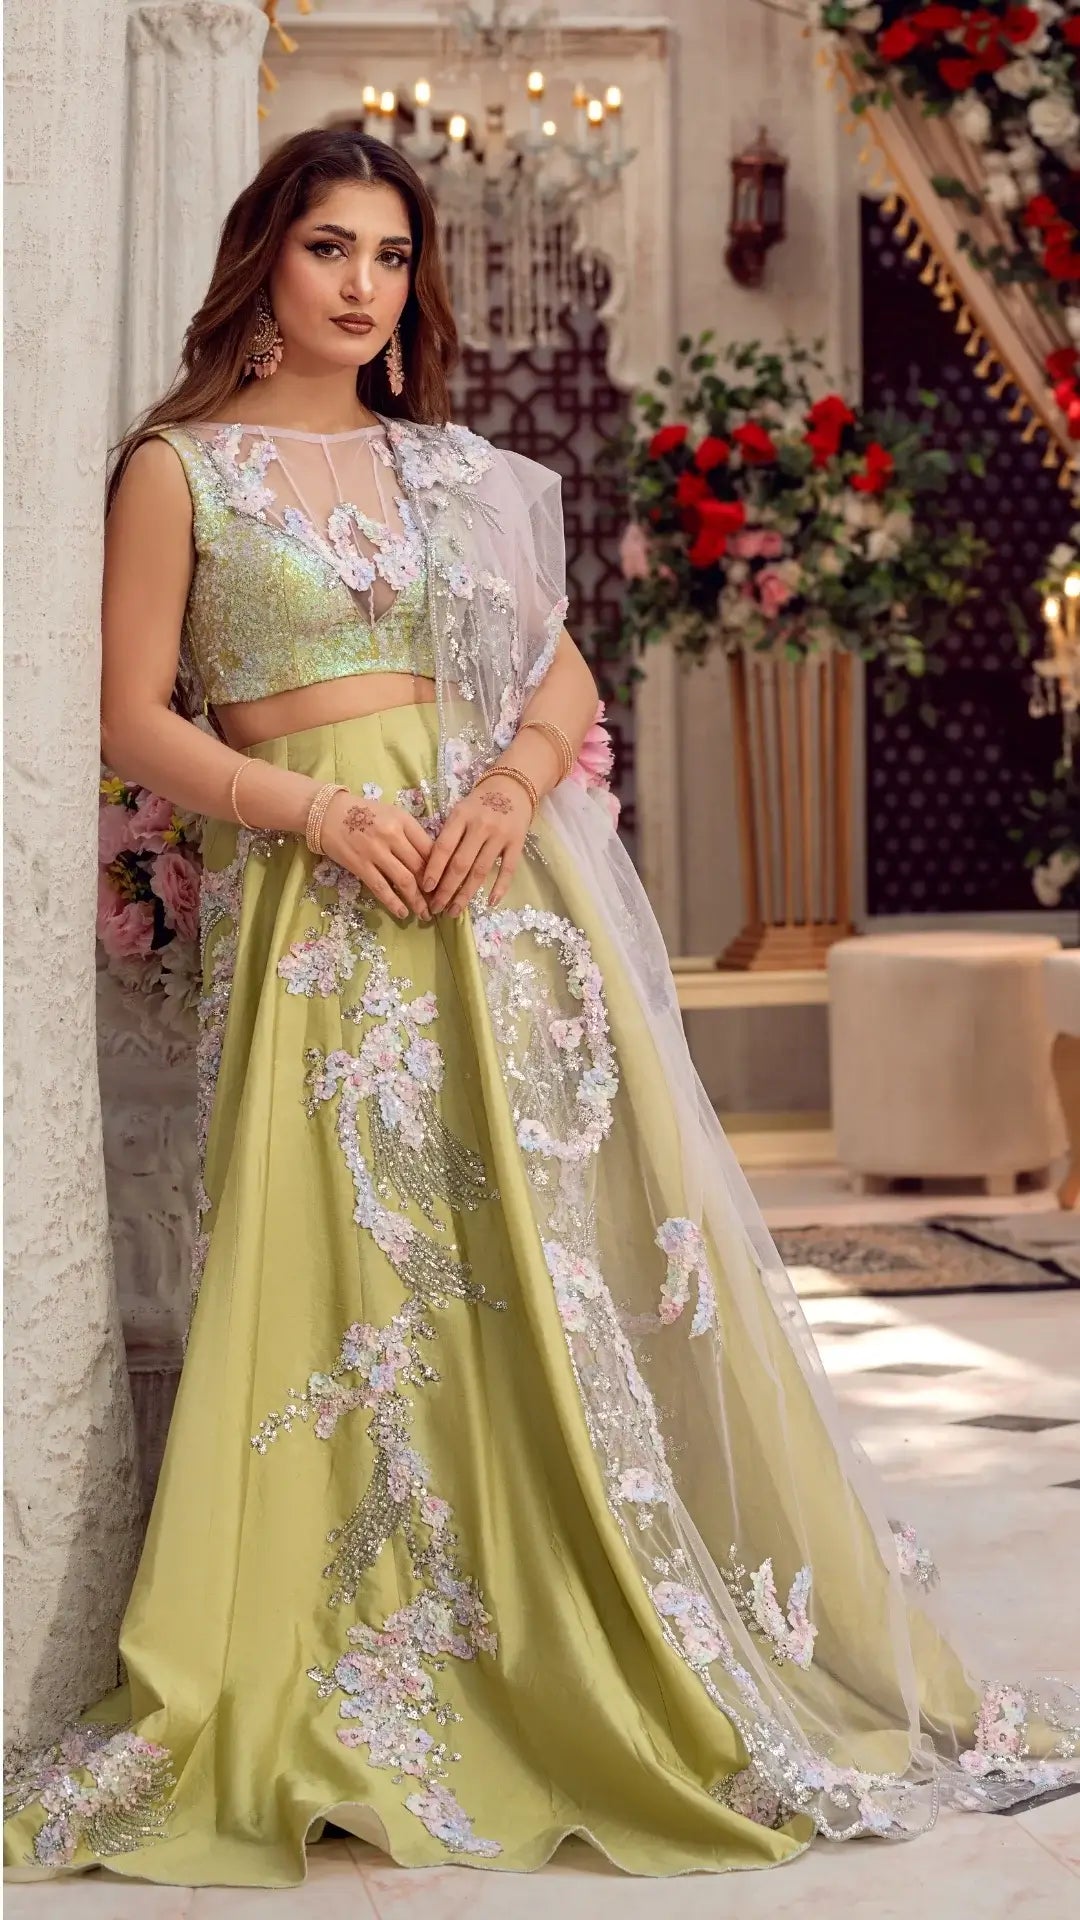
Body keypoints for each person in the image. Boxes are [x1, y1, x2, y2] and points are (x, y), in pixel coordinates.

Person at [4, 127, 1077, 1891]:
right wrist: (321, 814)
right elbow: (132, 720)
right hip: (314, 919)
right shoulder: (176, 471)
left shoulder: (454, 469)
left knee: (540, 1273)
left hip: (495, 907)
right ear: (262, 260)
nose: (364, 286)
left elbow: (557, 662)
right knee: (337, 1275)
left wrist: (505, 790)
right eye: (330, 248)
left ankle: (581, 1639)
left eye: (392, 257)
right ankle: (330, 1673)